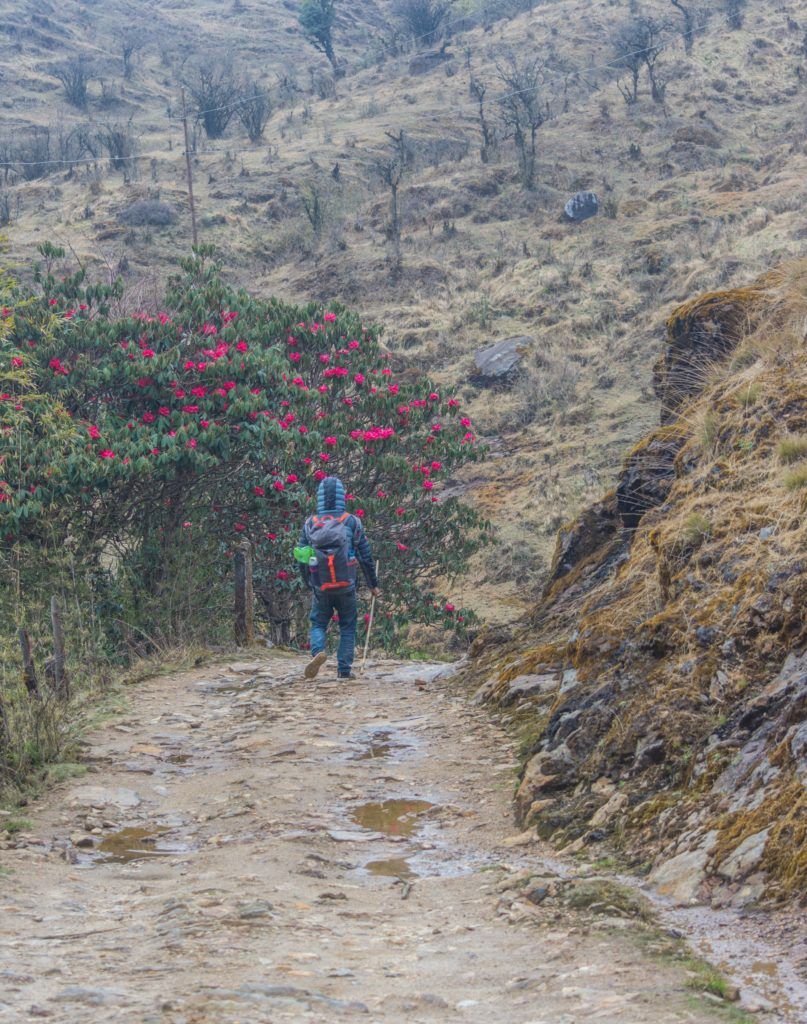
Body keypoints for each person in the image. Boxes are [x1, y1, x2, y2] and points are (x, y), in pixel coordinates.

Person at [298, 476, 380, 680]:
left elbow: (301, 555)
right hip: (346, 584)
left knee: (318, 623)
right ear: (342, 497)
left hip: (321, 585)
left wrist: (308, 580)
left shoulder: (310, 524)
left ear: (319, 498)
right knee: (347, 626)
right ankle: (344, 670)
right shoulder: (352, 522)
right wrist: (373, 585)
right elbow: (365, 557)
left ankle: (318, 652)